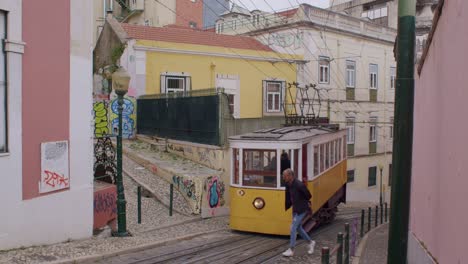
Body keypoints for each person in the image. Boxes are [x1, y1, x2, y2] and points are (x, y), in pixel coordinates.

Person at [282, 168, 315, 257]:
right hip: (295, 208)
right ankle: (311, 242)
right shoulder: (288, 184)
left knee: (293, 227)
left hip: (302, 209)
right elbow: (289, 195)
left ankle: (291, 249)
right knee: (298, 228)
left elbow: (308, 195)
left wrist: (304, 203)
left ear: (290, 176)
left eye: (284, 176)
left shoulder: (299, 185)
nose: (283, 177)